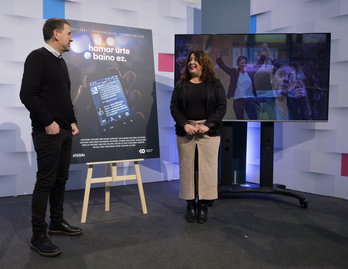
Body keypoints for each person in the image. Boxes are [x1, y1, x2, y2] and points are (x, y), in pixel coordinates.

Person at [20, 18, 82, 257]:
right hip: (48, 132)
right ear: (56, 34)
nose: (71, 37)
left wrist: (72, 120)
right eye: (68, 33)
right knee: (45, 181)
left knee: (60, 179)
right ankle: (38, 235)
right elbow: (27, 94)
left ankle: (56, 223)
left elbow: (64, 97)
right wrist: (48, 122)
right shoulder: (37, 57)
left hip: (65, 130)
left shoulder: (60, 62)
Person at [170, 50, 227, 224]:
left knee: (207, 169)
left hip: (208, 132)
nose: (192, 62)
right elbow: (174, 108)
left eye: (196, 60)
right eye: (190, 60)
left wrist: (207, 125)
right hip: (186, 130)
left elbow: (221, 107)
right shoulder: (181, 85)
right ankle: (190, 204)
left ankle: (203, 204)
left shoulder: (215, 84)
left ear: (204, 63)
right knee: (187, 169)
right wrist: (185, 125)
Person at [214, 45, 273, 120]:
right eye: (242, 63)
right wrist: (218, 57)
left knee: (254, 119)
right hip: (238, 100)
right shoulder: (234, 72)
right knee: (240, 120)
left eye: (245, 62)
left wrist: (264, 54)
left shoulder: (250, 72)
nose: (244, 64)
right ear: (238, 65)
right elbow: (223, 67)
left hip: (250, 100)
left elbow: (259, 64)